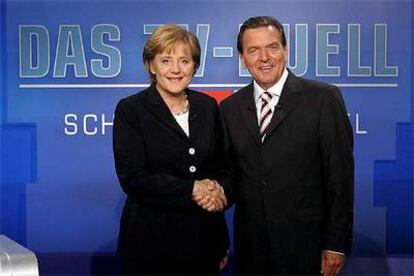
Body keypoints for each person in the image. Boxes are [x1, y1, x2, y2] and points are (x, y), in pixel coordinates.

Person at [199, 16, 354, 275]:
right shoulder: (229, 109)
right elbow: (231, 174)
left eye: (272, 47)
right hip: (251, 247)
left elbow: (340, 176)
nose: (264, 57)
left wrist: (336, 244)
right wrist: (215, 193)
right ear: (242, 59)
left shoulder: (323, 98)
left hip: (307, 246)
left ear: (286, 50)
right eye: (253, 50)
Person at [113, 24, 229, 275]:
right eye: (165, 60)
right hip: (150, 246)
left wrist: (219, 189)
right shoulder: (131, 110)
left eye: (184, 61)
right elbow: (134, 178)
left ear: (194, 67)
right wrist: (192, 188)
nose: (175, 69)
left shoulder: (208, 106)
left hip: (204, 243)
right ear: (151, 66)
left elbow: (224, 167)